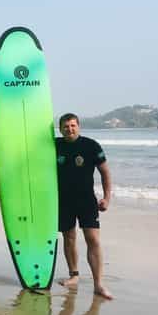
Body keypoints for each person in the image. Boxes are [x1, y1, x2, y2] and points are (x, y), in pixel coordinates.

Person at [55, 113, 113, 300]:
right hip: (63, 200)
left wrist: (106, 198)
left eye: (72, 126)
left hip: (87, 200)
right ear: (60, 128)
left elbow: (105, 172)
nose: (69, 129)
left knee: (93, 239)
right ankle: (74, 276)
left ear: (78, 126)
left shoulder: (91, 146)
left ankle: (98, 283)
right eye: (65, 126)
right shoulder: (54, 145)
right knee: (69, 236)